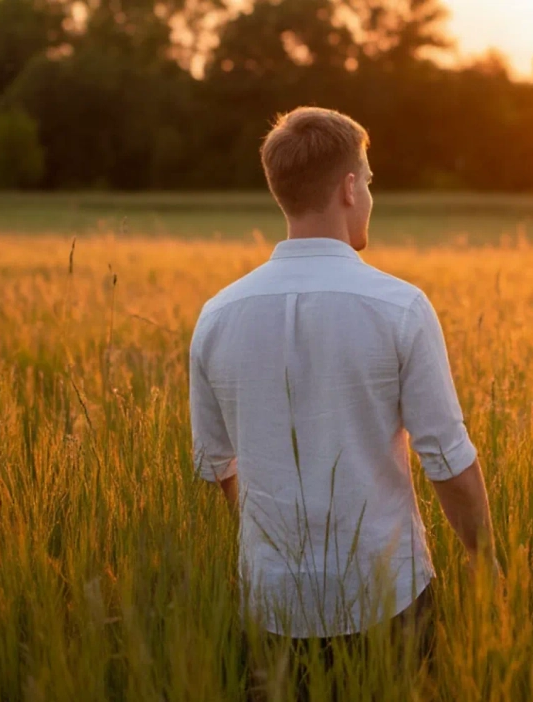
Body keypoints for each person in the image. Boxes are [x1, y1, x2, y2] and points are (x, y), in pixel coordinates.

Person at [188, 107, 497, 696]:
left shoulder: (217, 315)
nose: (372, 196)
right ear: (349, 188)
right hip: (387, 597)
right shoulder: (400, 306)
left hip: (272, 601)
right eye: (372, 182)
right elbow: (447, 459)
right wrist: (486, 561)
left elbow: (216, 465)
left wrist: (285, 541)